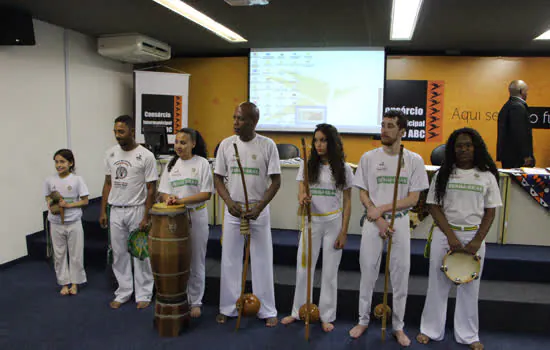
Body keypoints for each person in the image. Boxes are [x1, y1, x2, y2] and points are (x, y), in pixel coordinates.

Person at [416, 128, 502, 350]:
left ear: (476, 148)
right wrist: (451, 236)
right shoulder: (443, 174)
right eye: (459, 146)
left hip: (474, 237)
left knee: (470, 289)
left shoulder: (487, 176)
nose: (463, 150)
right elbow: (433, 206)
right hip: (445, 236)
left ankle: (468, 335)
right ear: (452, 149)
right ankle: (430, 330)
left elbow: (490, 212)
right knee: (437, 285)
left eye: (468, 145)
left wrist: (476, 241)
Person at [349, 109, 429, 347]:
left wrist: (381, 209)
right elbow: (362, 192)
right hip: (374, 223)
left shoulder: (414, 160)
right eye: (383, 125)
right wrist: (379, 217)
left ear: (402, 131)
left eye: (390, 126)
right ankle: (363, 320)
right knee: (368, 271)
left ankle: (398, 326)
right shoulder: (368, 157)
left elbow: (414, 198)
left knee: (400, 273)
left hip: (400, 221)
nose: (384, 130)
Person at [214, 102, 281, 327]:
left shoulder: (267, 145)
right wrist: (228, 202)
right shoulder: (225, 145)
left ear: (253, 123)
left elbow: (276, 181)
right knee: (230, 259)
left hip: (257, 211)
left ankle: (267, 310)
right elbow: (218, 178)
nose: (235, 122)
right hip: (234, 211)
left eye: (240, 119)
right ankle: (228, 308)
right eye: (234, 117)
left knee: (262, 258)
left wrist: (260, 206)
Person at [280, 124, 353, 332]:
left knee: (330, 271)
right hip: (311, 222)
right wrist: (302, 197)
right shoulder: (307, 165)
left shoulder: (344, 168)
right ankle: (298, 311)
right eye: (316, 140)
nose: (319, 145)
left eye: (323, 140)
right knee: (304, 268)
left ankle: (326, 315)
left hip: (333, 222)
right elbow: (301, 190)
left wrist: (344, 231)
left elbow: (348, 201)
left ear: (332, 142)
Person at [99, 115, 158, 309]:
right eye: (115, 132)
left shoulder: (146, 156)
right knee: (119, 253)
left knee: (140, 253)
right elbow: (108, 184)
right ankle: (124, 291)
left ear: (132, 132)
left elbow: (151, 188)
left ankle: (144, 293)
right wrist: (103, 211)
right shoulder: (110, 154)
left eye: (121, 132)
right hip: (115, 209)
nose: (117, 135)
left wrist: (147, 215)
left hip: (137, 209)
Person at [158, 128, 213, 318]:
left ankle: (196, 301)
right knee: (177, 260)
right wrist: (169, 197)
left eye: (183, 142)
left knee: (196, 260)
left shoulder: (202, 163)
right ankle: (180, 297)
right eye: (177, 142)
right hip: (176, 218)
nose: (179, 146)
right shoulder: (172, 165)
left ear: (193, 144)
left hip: (196, 216)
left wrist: (182, 200)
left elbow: (206, 194)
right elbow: (163, 191)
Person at [44, 149, 89, 296]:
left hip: (73, 221)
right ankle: (64, 283)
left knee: (75, 253)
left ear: (70, 163)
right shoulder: (50, 180)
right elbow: (47, 198)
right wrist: (52, 204)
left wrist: (68, 205)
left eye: (62, 162)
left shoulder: (77, 180)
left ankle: (75, 283)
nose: (59, 165)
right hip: (55, 222)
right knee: (59, 254)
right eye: (56, 162)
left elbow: (85, 200)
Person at [496, 80, 535, 169]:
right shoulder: (517, 107)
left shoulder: (508, 106)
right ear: (521, 91)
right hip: (517, 158)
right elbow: (519, 133)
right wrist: (526, 155)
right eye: (526, 91)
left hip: (509, 156)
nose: (527, 94)